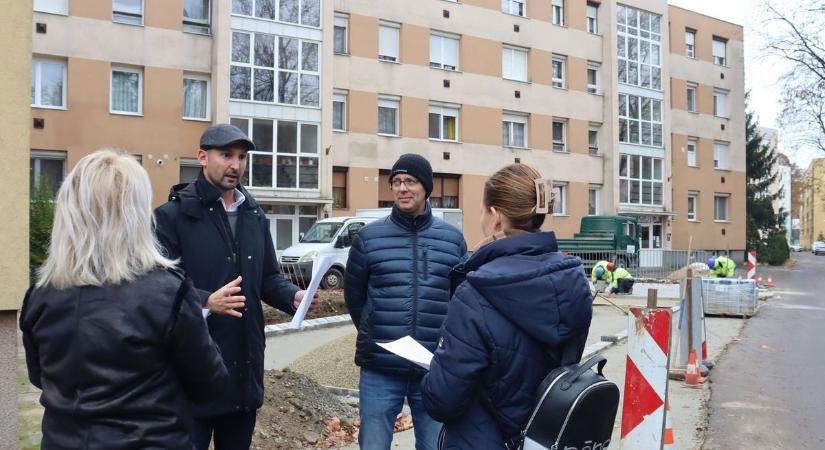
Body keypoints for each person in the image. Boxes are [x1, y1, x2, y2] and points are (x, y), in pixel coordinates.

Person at [20, 149, 228, 449]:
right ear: (136, 215)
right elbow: (211, 384)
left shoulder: (41, 296)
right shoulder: (167, 293)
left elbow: (40, 378)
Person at [154, 124, 313, 450]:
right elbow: (159, 284)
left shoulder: (254, 214)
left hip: (243, 374)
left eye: (241, 157)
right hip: (191, 376)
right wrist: (205, 301)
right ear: (202, 157)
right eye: (226, 155)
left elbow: (268, 277)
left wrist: (292, 296)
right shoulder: (171, 217)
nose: (235, 165)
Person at [420, 164, 593, 449]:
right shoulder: (574, 279)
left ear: (496, 216)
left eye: (481, 210)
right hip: (547, 434)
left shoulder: (476, 293)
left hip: (481, 438)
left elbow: (442, 400)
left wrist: (433, 373)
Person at [344, 154, 467, 450]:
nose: (402, 188)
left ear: (426, 188)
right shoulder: (369, 238)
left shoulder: (452, 240)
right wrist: (376, 330)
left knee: (434, 445)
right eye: (396, 182)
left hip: (433, 368)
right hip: (380, 368)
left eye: (410, 181)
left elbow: (461, 299)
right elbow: (355, 297)